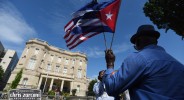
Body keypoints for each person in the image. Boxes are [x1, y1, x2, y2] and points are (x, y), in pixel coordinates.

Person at [102, 25, 184, 100]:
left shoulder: (138, 58)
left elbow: (111, 88)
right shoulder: (178, 65)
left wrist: (110, 63)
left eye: (135, 45)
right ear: (156, 42)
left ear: (138, 42)